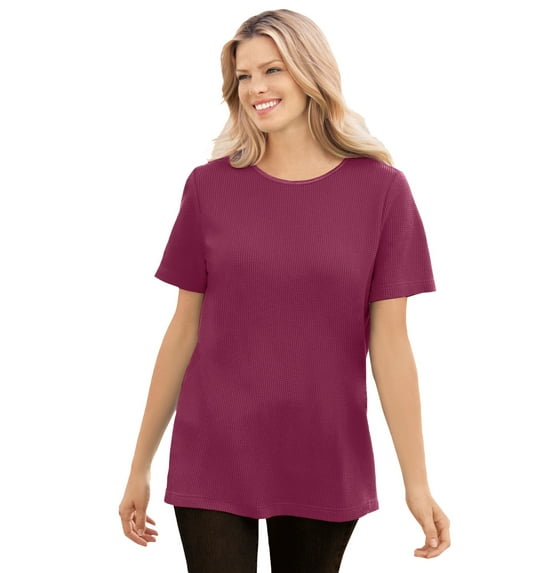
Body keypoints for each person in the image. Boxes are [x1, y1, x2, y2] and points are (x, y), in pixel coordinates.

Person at [118, 8, 451, 572]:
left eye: (272, 70)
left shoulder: (382, 192)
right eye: (244, 76)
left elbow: (391, 344)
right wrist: (139, 465)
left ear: (311, 71)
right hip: (214, 445)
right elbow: (183, 330)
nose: (256, 89)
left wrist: (416, 484)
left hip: (323, 449)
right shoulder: (209, 187)